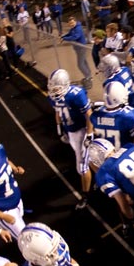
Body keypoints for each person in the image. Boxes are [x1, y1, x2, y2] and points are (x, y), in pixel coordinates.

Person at [47, 69, 94, 210]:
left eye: (57, 87)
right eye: (52, 87)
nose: (54, 90)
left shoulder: (76, 95)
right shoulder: (52, 97)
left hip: (82, 130)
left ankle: (86, 195)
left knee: (81, 166)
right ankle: (96, 177)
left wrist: (90, 133)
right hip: (71, 131)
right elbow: (57, 111)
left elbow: (89, 114)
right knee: (87, 159)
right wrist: (59, 127)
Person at [60, 17, 91, 89]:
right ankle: (88, 75)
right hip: (78, 48)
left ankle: (88, 77)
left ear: (75, 22)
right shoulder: (73, 28)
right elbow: (69, 34)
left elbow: (75, 37)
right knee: (84, 62)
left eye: (72, 22)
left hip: (81, 48)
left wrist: (65, 38)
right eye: (70, 23)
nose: (71, 24)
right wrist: (63, 37)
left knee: (80, 64)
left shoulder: (78, 28)